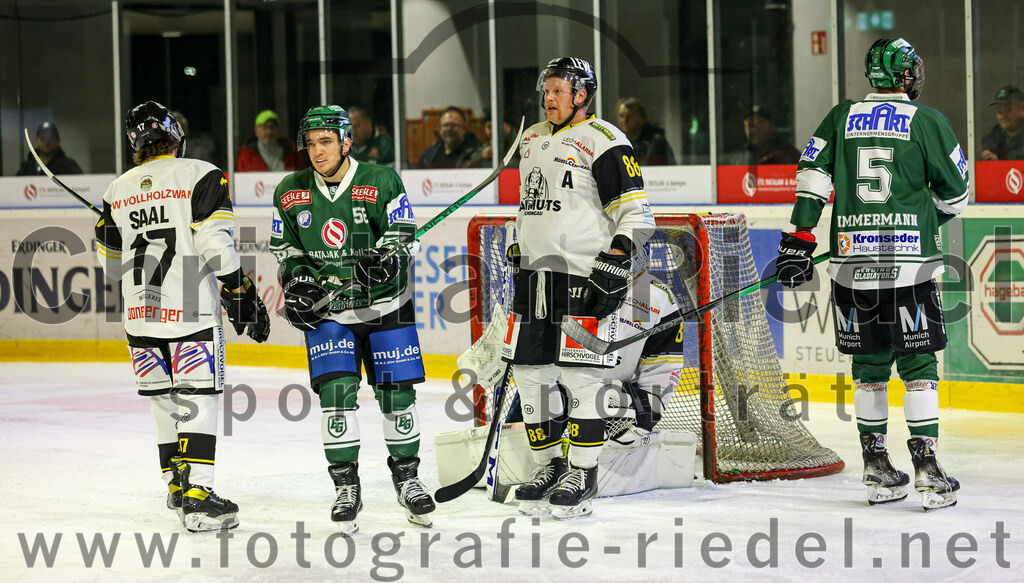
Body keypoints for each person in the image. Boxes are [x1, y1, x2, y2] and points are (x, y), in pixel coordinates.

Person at [775, 38, 967, 511]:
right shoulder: (927, 121)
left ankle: (877, 469)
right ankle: (927, 470)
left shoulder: (840, 118)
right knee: (919, 367)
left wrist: (800, 238)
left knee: (869, 370)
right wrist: (921, 221)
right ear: (905, 75)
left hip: (850, 267)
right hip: (909, 266)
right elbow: (957, 196)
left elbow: (812, 179)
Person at [93, 101, 270, 532]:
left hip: (140, 315)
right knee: (199, 399)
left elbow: (111, 267)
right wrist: (239, 288)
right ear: (175, 134)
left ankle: (176, 484)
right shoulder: (202, 174)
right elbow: (214, 244)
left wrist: (109, 227)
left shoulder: (116, 191)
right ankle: (198, 496)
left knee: (164, 402)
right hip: (189, 310)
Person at [270, 105, 434, 534]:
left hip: (386, 305)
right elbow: (285, 250)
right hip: (331, 312)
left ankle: (408, 479)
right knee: (337, 395)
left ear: (346, 142)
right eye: (310, 143)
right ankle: (346, 486)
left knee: (397, 397)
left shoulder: (381, 180)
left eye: (325, 141)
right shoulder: (290, 190)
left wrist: (386, 256)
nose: (317, 151)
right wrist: (301, 281)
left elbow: (402, 232)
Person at [504, 56, 656, 519]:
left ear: (582, 94)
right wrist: (517, 245)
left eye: (557, 90)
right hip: (535, 276)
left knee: (579, 375)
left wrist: (614, 264)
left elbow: (638, 215)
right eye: (545, 91)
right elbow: (529, 207)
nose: (548, 98)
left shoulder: (606, 140)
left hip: (580, 275)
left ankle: (583, 470)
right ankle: (548, 465)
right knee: (530, 375)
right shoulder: (529, 140)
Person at [728, 106, 800, 165]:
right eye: (748, 126)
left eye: (757, 125)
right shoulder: (737, 157)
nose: (752, 130)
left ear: (771, 127)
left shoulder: (788, 153)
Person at [236, 109, 304, 172]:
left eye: (272, 127)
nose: (269, 132)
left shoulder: (292, 152)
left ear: (278, 129)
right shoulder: (246, 155)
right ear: (256, 130)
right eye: (264, 127)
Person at [417, 106, 483, 168]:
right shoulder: (429, 156)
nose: (449, 129)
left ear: (464, 129)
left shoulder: (475, 154)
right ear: (440, 129)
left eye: (453, 125)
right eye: (445, 125)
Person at [616, 97, 676, 165]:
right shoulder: (616, 142)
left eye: (629, 117)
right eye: (621, 116)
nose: (624, 120)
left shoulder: (656, 143)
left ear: (641, 119)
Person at [18, 122, 83, 175]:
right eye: (42, 138)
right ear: (36, 141)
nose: (46, 142)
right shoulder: (26, 167)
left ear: (58, 141)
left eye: (50, 138)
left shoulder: (68, 166)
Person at [980, 85, 1024, 161]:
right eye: (999, 112)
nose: (1003, 116)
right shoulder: (992, 139)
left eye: (1009, 110)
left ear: (1022, 110)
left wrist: (1000, 163)